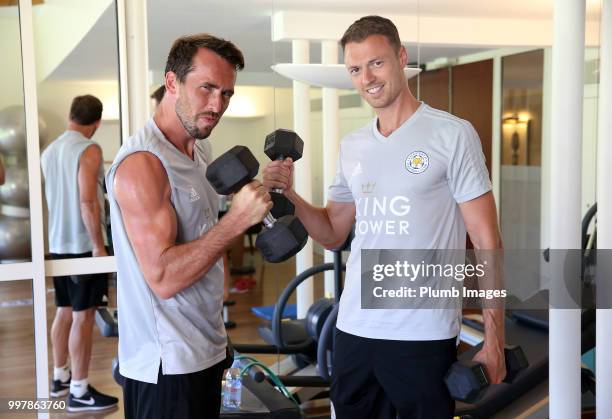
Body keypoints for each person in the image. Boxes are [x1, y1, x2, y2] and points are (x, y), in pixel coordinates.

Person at [263, 15, 505, 419]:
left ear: (401, 57)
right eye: (355, 69)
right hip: (354, 331)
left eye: (376, 63)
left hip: (422, 336)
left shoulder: (452, 135)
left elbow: (487, 241)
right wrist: (291, 195)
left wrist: (495, 337)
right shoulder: (353, 145)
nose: (366, 78)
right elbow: (333, 233)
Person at [106, 34, 271, 419]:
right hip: (167, 365)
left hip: (206, 347)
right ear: (171, 83)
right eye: (207, 89)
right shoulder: (143, 165)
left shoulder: (199, 152)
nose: (217, 105)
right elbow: (162, 277)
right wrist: (235, 222)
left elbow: (203, 241)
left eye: (227, 94)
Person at [41, 94, 118, 412]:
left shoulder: (50, 151)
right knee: (83, 317)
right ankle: (80, 390)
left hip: (58, 245)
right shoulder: (89, 149)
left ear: (72, 115)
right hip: (83, 246)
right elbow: (88, 201)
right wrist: (99, 249)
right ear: (96, 123)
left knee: (64, 310)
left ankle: (60, 378)